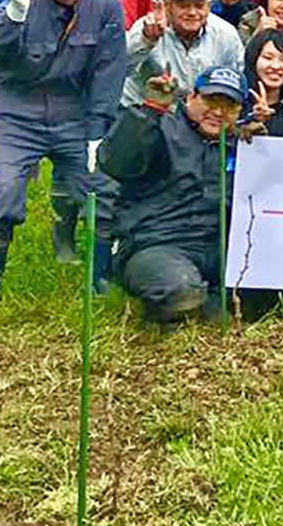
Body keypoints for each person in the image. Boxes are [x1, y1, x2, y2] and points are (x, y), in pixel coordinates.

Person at [0, 0, 125, 315]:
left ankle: (100, 280)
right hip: (11, 112)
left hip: (74, 114)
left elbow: (108, 72)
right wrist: (12, 16)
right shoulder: (21, 2)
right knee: (3, 193)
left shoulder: (106, 7)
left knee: (104, 191)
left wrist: (98, 131)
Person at [99, 66, 246, 331]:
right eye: (211, 100)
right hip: (157, 244)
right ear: (191, 97)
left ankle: (204, 306)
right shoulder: (158, 126)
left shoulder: (244, 143)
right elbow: (116, 163)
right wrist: (149, 112)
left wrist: (264, 145)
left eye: (229, 106)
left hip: (219, 248)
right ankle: (191, 307)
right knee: (180, 289)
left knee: (273, 286)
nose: (218, 112)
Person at [123, 0, 246, 109]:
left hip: (201, 114)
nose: (192, 13)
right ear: (167, 5)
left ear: (209, 6)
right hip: (143, 111)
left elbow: (237, 79)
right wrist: (146, 41)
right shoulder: (148, 27)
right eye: (183, 6)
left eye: (199, 6)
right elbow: (120, 70)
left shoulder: (226, 34)